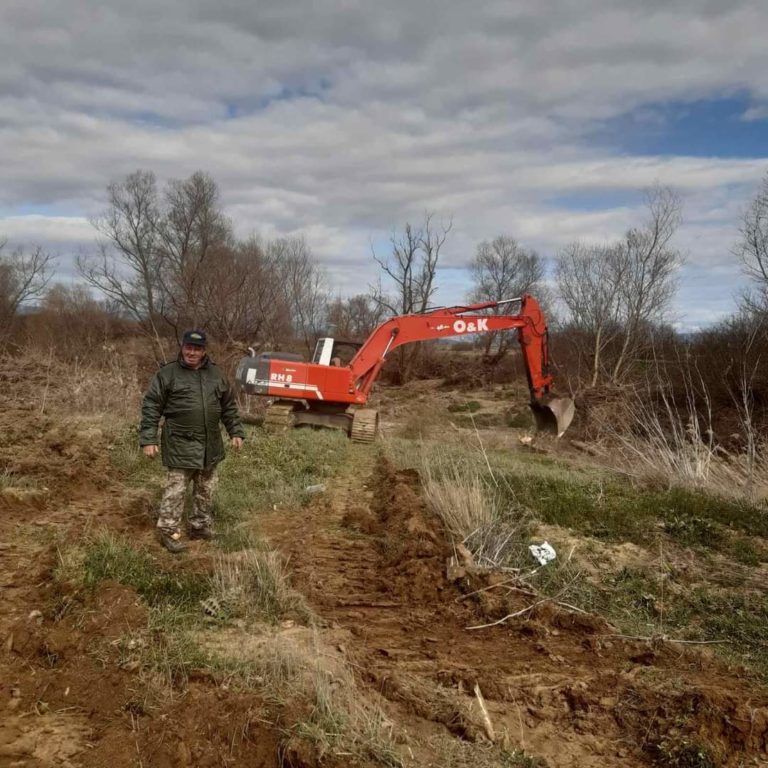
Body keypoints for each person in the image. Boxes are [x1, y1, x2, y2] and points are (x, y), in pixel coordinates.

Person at [139, 330, 245, 553]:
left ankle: (199, 526)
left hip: (210, 445)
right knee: (175, 490)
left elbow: (229, 407)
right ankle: (168, 531)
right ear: (182, 347)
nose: (192, 352)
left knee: (206, 489)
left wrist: (235, 431)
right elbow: (151, 407)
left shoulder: (216, 375)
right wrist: (148, 438)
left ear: (204, 351)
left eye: (197, 349)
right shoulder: (168, 374)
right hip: (179, 443)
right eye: (188, 347)